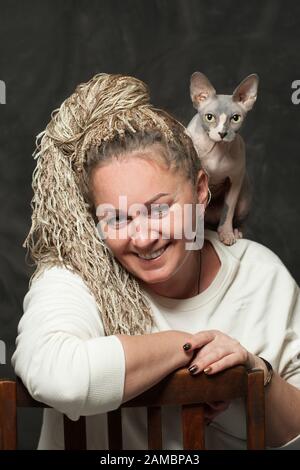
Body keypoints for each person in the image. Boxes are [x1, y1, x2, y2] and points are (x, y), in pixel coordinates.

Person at [12, 73, 300, 450]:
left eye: (159, 209)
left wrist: (253, 370)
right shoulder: (75, 276)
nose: (144, 237)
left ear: (200, 192)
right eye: (116, 217)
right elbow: (57, 374)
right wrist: (187, 347)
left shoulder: (260, 276)